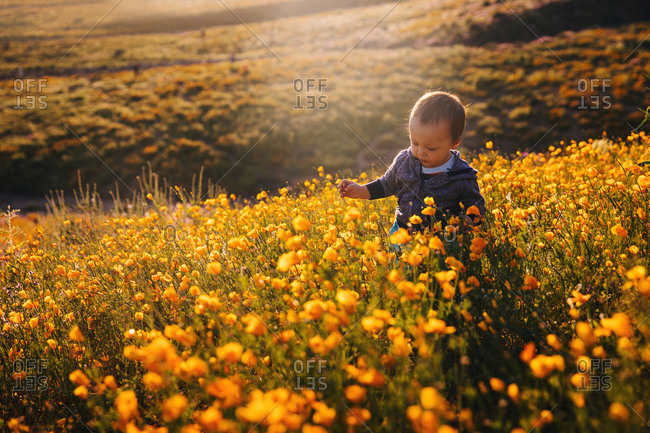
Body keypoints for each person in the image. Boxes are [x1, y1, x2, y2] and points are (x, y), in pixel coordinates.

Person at [338, 91, 486, 238]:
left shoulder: (461, 175)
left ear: (455, 142)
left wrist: (466, 223)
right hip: (402, 233)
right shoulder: (404, 160)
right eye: (414, 143)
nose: (421, 152)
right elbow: (386, 184)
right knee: (397, 261)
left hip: (441, 239)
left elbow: (476, 206)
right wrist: (361, 190)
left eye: (431, 148)